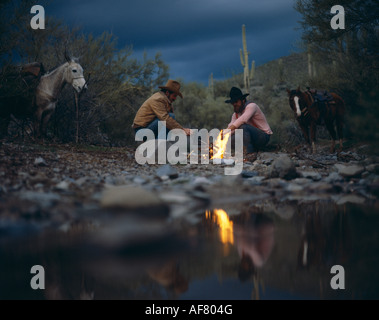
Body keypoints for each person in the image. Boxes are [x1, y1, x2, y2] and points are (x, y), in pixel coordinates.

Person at [225, 87, 273, 161]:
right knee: (229, 139)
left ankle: (250, 154)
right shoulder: (235, 114)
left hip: (263, 136)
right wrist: (223, 136)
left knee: (243, 127)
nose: (234, 104)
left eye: (236, 101)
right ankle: (249, 149)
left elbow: (242, 120)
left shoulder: (251, 106)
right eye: (232, 102)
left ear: (243, 100)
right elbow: (231, 127)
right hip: (249, 138)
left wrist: (227, 131)